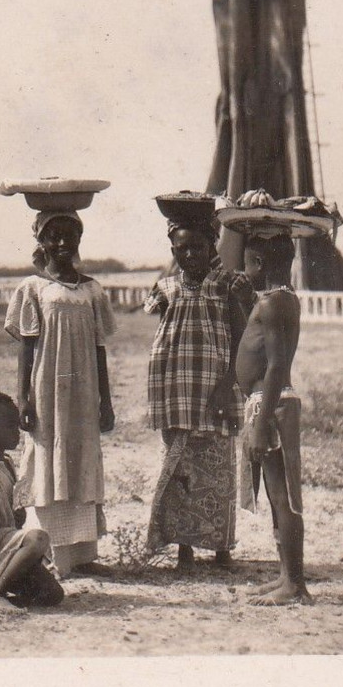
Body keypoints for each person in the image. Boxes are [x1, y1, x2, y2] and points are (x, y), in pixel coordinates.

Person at [143, 208, 255, 569]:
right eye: (182, 249)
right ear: (173, 251)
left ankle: (222, 549)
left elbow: (240, 337)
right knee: (180, 473)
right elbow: (168, 337)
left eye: (197, 247)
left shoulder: (225, 285)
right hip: (177, 394)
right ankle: (184, 550)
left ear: (212, 247)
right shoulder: (166, 288)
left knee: (219, 470)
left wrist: (228, 384)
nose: (190, 254)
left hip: (215, 393)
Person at [7, 210, 117, 576]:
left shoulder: (92, 289)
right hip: (48, 387)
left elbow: (100, 347)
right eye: (53, 236)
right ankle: (48, 555)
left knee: (80, 455)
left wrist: (107, 400)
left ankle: (83, 556)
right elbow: (26, 346)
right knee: (48, 458)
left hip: (84, 391)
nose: (62, 243)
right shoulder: (33, 288)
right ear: (41, 240)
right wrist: (23, 398)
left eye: (69, 235)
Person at [234, 231, 311, 605]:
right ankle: (285, 576)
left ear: (259, 264)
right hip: (267, 401)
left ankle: (294, 583)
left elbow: (278, 365)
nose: (243, 270)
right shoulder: (277, 299)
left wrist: (263, 423)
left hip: (273, 404)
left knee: (283, 498)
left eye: (246, 262)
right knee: (275, 494)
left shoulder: (273, 303)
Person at [0, 391, 66, 610]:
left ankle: (4, 595)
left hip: (5, 553)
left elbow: (8, 522)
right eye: (9, 426)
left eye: (16, 425)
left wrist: (17, 518)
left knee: (53, 594)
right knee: (38, 538)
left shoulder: (5, 463)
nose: (16, 432)